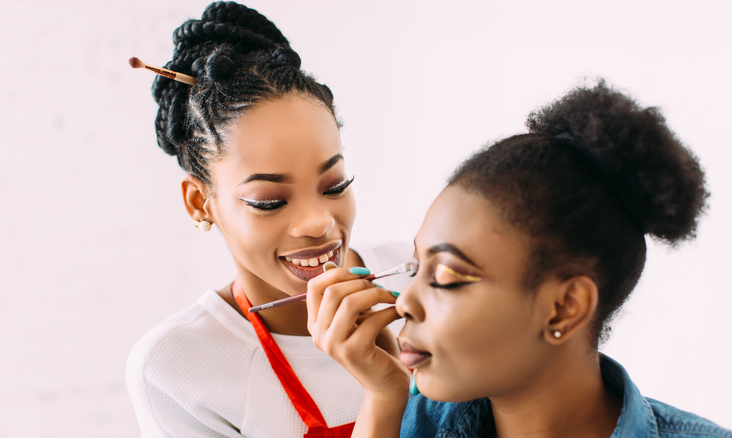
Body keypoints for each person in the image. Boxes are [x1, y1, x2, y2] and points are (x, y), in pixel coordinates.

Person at [306, 81, 732, 437]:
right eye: (415, 268)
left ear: (564, 307)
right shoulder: (407, 423)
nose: (403, 303)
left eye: (447, 276)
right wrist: (381, 400)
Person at [125, 2, 410, 437]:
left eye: (334, 185)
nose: (316, 223)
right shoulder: (176, 367)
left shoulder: (419, 277)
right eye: (269, 201)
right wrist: (386, 396)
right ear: (200, 203)